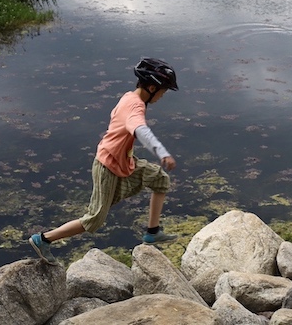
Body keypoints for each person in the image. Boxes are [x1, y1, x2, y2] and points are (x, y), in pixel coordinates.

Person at [29, 57, 180, 265]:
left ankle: (152, 231)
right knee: (95, 219)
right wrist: (162, 152)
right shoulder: (135, 107)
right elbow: (140, 130)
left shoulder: (129, 97)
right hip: (107, 167)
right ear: (152, 87)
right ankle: (43, 239)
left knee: (159, 178)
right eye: (163, 91)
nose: (163, 96)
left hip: (123, 162)